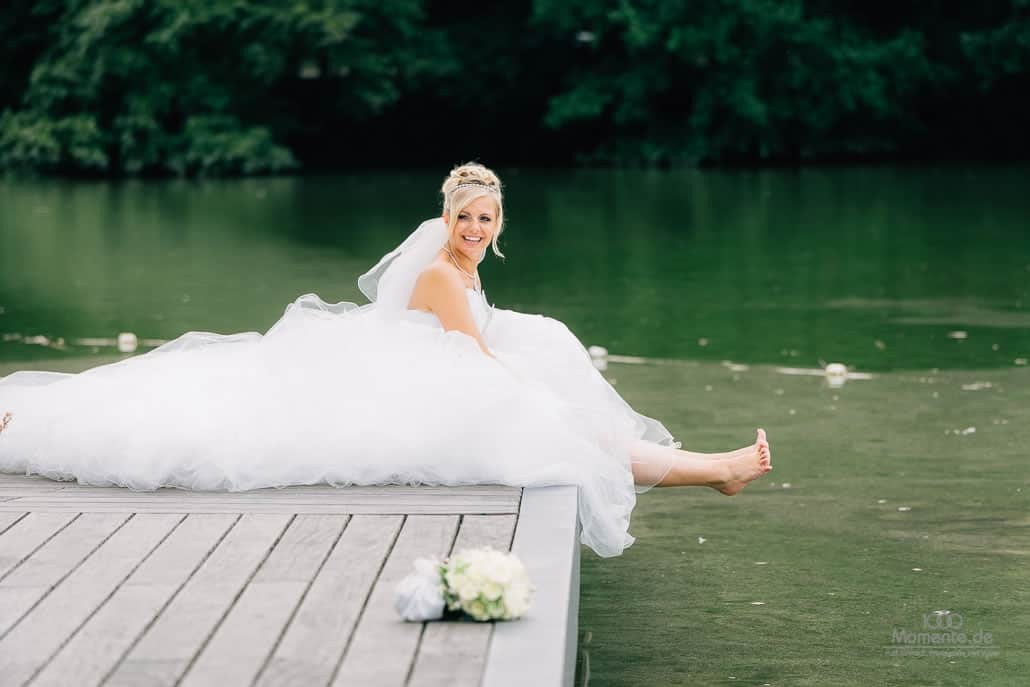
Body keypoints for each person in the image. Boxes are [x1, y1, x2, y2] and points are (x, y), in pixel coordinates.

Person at [0, 162, 770, 557]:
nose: (474, 227)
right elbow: (470, 354)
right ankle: (717, 471)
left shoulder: (464, 267)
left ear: (498, 222)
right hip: (429, 388)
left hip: (430, 381)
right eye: (465, 216)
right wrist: (535, 392)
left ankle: (717, 470)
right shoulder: (439, 271)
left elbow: (472, 343)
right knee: (559, 424)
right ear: (447, 216)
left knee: (565, 417)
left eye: (485, 218)